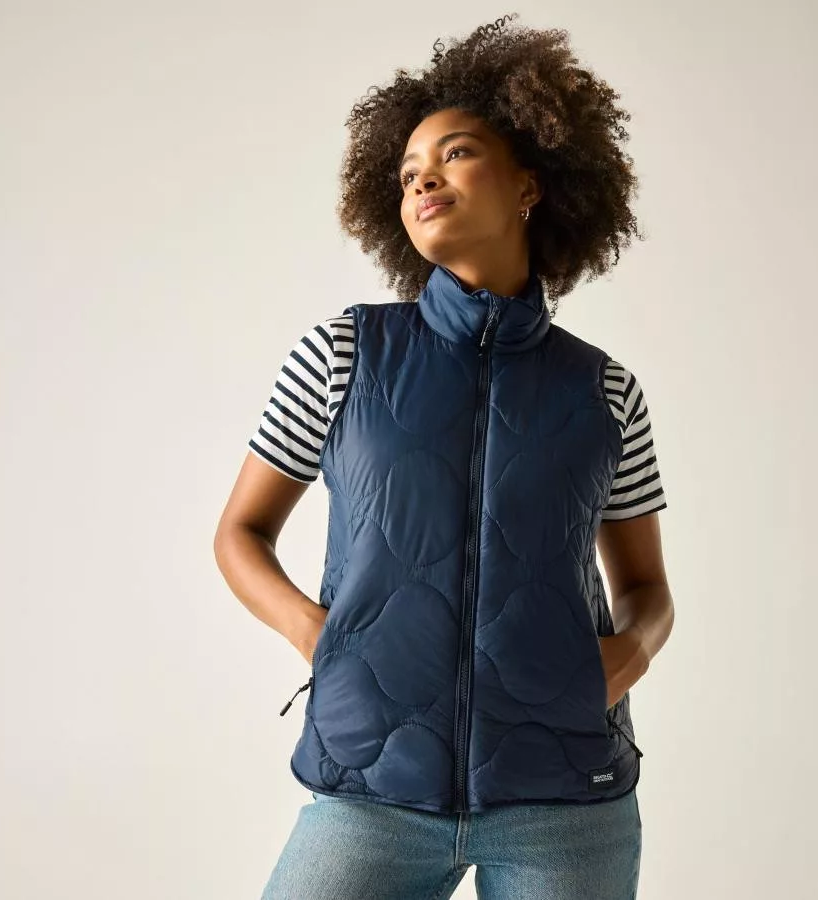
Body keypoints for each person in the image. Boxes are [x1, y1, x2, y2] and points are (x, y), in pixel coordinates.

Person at [214, 14, 675, 899]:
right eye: (407, 172)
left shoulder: (604, 390)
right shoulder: (343, 354)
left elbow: (648, 588)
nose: (424, 179)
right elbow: (239, 533)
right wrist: (317, 635)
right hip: (372, 790)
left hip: (566, 803)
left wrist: (627, 657)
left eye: (455, 154)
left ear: (529, 183)